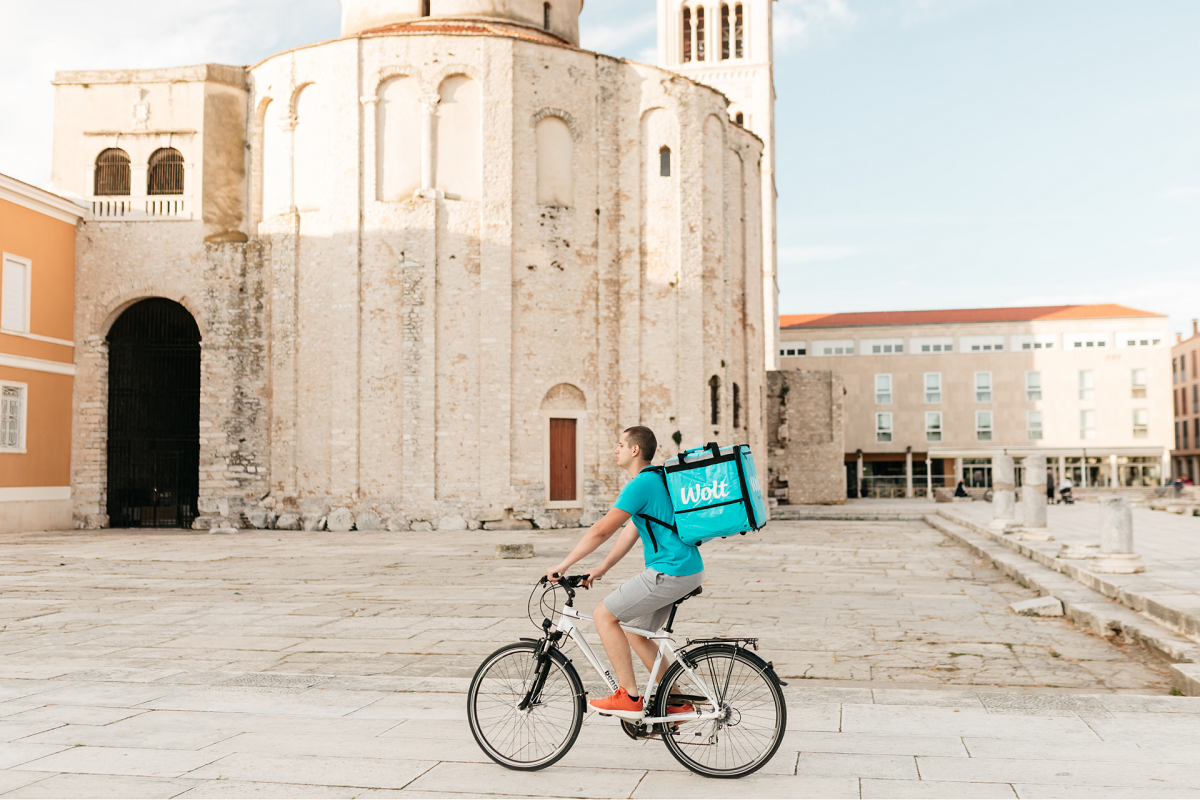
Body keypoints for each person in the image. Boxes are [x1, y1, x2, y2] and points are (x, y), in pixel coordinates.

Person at [546, 426, 704, 721]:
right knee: (636, 632)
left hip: (669, 571)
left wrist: (563, 565)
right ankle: (679, 702)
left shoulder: (641, 484)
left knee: (603, 615)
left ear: (635, 450)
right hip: (685, 569)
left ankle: (629, 696)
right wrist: (602, 568)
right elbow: (630, 530)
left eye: (620, 444)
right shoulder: (656, 479)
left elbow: (601, 530)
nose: (615, 450)